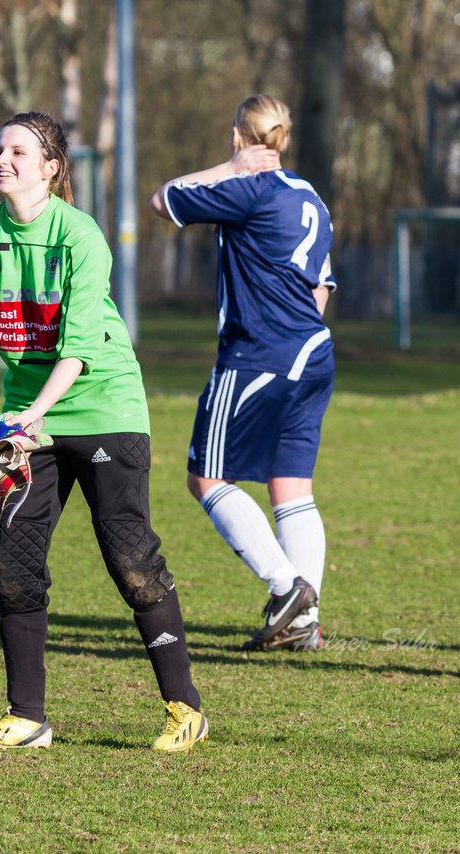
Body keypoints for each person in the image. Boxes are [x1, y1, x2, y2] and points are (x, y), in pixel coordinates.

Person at [0, 111, 208, 753]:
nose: (3, 159)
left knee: (130, 559)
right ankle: (27, 717)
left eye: (19, 150)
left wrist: (33, 417)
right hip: (30, 420)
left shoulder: (80, 234)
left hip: (104, 407)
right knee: (15, 563)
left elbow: (78, 348)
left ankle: (184, 707)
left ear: (51, 167)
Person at [148, 94, 334, 653]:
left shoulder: (250, 187)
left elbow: (164, 199)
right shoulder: (311, 196)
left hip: (258, 354)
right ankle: (306, 623)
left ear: (239, 136)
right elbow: (321, 285)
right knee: (290, 485)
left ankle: (287, 591)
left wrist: (228, 167)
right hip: (314, 351)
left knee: (206, 476)